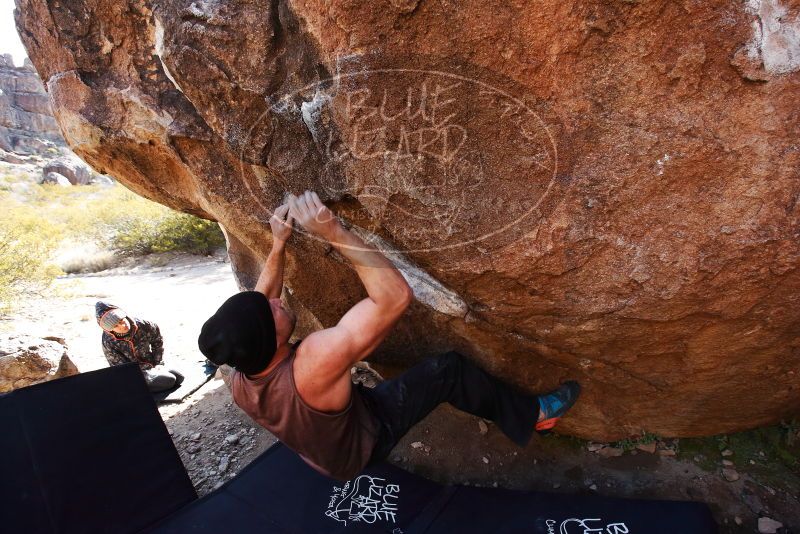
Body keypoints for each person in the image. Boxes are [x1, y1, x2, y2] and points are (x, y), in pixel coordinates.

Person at [198, 191, 581, 481]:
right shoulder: (314, 361)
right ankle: (536, 415)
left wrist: (279, 243)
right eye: (272, 314)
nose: (279, 303)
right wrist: (332, 228)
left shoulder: (240, 377)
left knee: (332, 385)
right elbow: (394, 298)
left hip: (319, 451)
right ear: (271, 343)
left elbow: (263, 302)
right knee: (448, 370)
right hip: (362, 446)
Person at [95, 301, 184, 393]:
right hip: (136, 375)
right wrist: (146, 375)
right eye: (116, 326)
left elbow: (157, 342)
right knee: (170, 380)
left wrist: (158, 364)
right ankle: (137, 390)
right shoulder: (108, 342)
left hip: (152, 365)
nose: (122, 326)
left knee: (179, 377)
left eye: (121, 320)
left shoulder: (145, 325)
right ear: (110, 330)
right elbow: (122, 369)